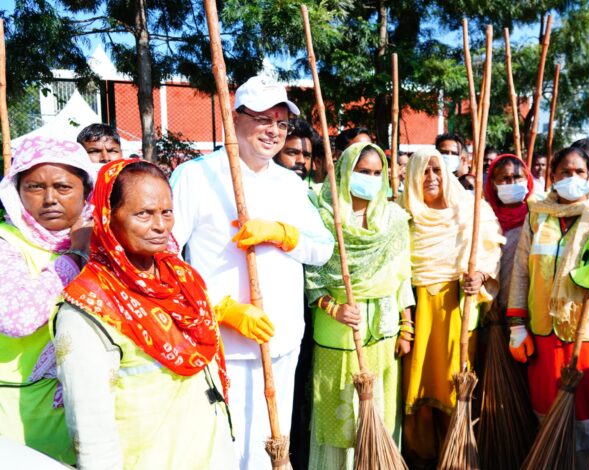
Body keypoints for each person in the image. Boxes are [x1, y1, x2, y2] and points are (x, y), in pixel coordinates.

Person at [169, 77, 334, 470]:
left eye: (281, 123)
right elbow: (166, 259)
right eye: (263, 119)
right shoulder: (196, 175)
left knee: (270, 446)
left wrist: (284, 235)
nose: (274, 131)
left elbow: (322, 248)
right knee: (226, 451)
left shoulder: (290, 183)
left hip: (282, 342)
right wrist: (221, 309)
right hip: (223, 345)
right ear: (234, 118)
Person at [55, 159, 242, 469]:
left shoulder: (184, 282)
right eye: (143, 214)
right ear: (107, 216)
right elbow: (91, 431)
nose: (160, 226)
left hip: (210, 455)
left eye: (166, 212)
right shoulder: (90, 307)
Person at [507, 146, 589, 460]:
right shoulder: (538, 214)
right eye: (565, 172)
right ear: (552, 176)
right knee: (545, 410)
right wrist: (517, 323)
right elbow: (522, 269)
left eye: (580, 172)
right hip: (543, 331)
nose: (572, 178)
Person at [305, 142, 414, 468]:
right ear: (344, 172)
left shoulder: (393, 218)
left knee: (378, 415)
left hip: (382, 331)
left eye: (378, 173)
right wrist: (331, 307)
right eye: (362, 172)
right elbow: (312, 275)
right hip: (338, 331)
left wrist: (406, 326)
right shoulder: (324, 216)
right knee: (338, 418)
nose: (371, 178)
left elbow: (402, 275)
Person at [401, 147, 503, 466]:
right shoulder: (403, 217)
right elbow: (396, 271)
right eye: (424, 171)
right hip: (417, 312)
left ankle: (456, 453)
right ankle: (421, 457)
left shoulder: (471, 212)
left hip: (457, 312)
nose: (431, 177)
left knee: (454, 384)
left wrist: (480, 274)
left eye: (436, 170)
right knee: (415, 385)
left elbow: (490, 252)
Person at [0, 136, 95, 465]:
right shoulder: (7, 243)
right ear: (16, 191)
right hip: (19, 414)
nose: (50, 199)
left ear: (86, 191)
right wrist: (75, 258)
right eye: (35, 187)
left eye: (63, 187)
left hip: (87, 409)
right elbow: (17, 318)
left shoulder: (105, 243)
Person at [485, 154, 534, 315]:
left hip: (530, 303)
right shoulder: (483, 216)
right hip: (492, 305)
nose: (512, 183)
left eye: (518, 177)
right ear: (493, 184)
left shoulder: (537, 216)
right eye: (505, 178)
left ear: (527, 179)